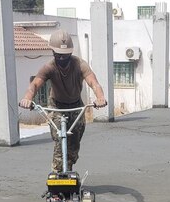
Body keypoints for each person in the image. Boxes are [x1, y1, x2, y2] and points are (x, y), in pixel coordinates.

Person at [19, 29, 107, 172]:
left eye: (65, 56)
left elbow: (94, 83)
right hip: (56, 107)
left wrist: (100, 97)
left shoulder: (80, 64)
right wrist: (27, 98)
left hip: (76, 107)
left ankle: (68, 167)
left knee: (73, 146)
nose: (61, 59)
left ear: (70, 54)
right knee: (60, 141)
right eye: (58, 56)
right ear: (53, 53)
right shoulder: (49, 67)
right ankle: (57, 175)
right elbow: (34, 84)